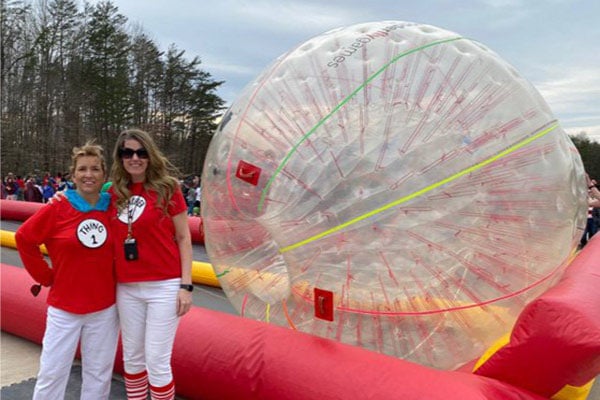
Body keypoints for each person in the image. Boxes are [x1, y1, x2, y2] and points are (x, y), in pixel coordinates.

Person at [15, 142, 119, 399]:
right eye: (82, 169)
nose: (89, 174)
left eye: (95, 169)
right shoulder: (57, 206)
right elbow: (24, 238)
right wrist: (45, 276)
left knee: (99, 374)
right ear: (73, 175)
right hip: (64, 308)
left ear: (104, 174)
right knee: (52, 373)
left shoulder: (115, 206)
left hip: (105, 308)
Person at [109, 128, 193, 399]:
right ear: (120, 157)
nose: (135, 158)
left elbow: (183, 237)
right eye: (128, 152)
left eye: (141, 152)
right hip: (127, 287)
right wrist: (58, 199)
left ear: (150, 155)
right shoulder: (113, 193)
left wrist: (186, 286)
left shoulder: (168, 188)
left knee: (156, 361)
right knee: (132, 359)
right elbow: (80, 201)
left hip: (164, 287)